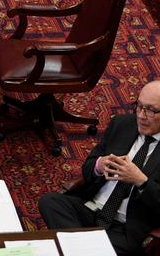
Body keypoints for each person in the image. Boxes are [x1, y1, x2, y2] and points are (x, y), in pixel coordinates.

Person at [38, 81, 160, 255]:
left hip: (124, 227)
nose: (141, 115)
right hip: (91, 208)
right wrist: (99, 166)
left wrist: (141, 181)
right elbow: (88, 168)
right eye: (139, 106)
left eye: (150, 110)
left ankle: (79, 247)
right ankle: (87, 248)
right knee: (50, 202)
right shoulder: (122, 124)